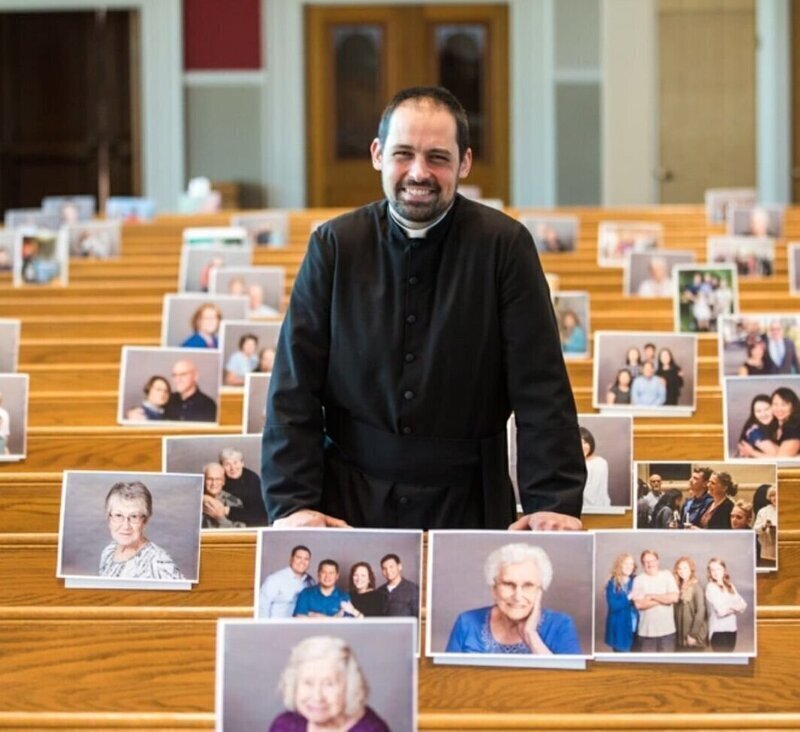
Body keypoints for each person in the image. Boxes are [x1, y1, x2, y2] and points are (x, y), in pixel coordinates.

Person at [262, 86, 585, 532]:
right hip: (348, 504)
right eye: (403, 154)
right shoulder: (335, 245)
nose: (419, 172)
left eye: (437, 157)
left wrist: (554, 501)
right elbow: (293, 386)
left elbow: (541, 385)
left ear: (464, 162)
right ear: (377, 154)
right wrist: (292, 503)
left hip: (471, 501)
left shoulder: (505, 246)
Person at [445, 543, 580, 654]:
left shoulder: (560, 624)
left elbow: (570, 682)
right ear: (494, 589)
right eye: (508, 584)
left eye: (528, 585)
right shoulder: (467, 622)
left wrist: (530, 635)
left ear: (540, 590)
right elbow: (447, 679)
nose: (517, 596)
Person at [269, 635, 390, 732]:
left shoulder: (373, 729)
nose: (317, 697)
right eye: (308, 683)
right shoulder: (284, 725)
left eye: (329, 684)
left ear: (349, 686)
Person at [98, 481, 185, 580]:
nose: (126, 526)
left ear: (145, 520)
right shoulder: (108, 551)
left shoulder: (158, 562)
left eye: (134, 516)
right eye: (118, 515)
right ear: (109, 518)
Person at [630, 550, 679, 652]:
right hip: (646, 634)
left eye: (652, 560)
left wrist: (652, 596)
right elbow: (639, 604)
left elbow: (674, 597)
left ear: (658, 561)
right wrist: (665, 599)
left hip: (667, 633)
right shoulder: (638, 580)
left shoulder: (667, 575)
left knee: (668, 666)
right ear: (642, 564)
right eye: (646, 561)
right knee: (649, 666)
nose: (650, 564)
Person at [258, 545, 315, 618]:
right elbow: (262, 607)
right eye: (298, 558)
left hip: (300, 627)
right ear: (291, 559)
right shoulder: (275, 579)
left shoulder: (310, 581)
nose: (302, 562)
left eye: (306, 559)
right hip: (277, 627)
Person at [218, 448, 270, 526]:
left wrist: (228, 511)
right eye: (227, 464)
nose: (232, 468)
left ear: (242, 463)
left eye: (235, 463)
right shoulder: (217, 478)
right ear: (221, 466)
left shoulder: (252, 479)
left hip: (252, 525)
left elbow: (259, 515)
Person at [705, 557, 747, 652]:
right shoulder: (711, 587)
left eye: (719, 569)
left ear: (724, 570)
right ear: (710, 572)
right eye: (713, 570)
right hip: (718, 632)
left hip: (732, 630)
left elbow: (743, 605)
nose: (716, 573)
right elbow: (721, 612)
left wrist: (730, 607)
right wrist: (735, 607)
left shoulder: (730, 586)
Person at [751, 388, 800, 458]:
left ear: (793, 406)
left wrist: (752, 452)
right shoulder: (774, 425)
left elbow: (782, 460)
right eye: (775, 404)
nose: (779, 409)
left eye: (784, 404)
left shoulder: (795, 427)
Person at [603, 553, 638, 653]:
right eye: (626, 564)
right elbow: (613, 605)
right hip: (620, 630)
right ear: (619, 565)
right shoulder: (612, 583)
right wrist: (628, 597)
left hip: (636, 628)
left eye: (631, 564)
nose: (629, 567)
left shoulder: (636, 580)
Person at [672, 556, 707, 650]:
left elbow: (701, 612)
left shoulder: (696, 587)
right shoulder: (677, 587)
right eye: (679, 568)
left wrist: (693, 635)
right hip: (680, 636)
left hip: (692, 636)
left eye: (685, 568)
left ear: (691, 569)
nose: (681, 571)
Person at [200, 463, 245, 529]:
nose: (214, 483)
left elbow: (241, 533)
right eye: (209, 479)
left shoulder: (235, 501)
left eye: (218, 479)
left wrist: (220, 518)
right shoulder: (195, 499)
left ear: (223, 481)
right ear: (203, 480)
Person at [579, 426, 610, 510]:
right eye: (579, 443)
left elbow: (601, 492)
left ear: (590, 443)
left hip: (599, 509)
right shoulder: (569, 464)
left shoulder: (601, 463)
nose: (583, 446)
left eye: (585, 442)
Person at [753, 486, 777, 565]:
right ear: (769, 497)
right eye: (772, 495)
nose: (775, 498)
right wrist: (764, 526)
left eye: (777, 495)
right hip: (767, 549)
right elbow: (755, 530)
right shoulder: (763, 511)